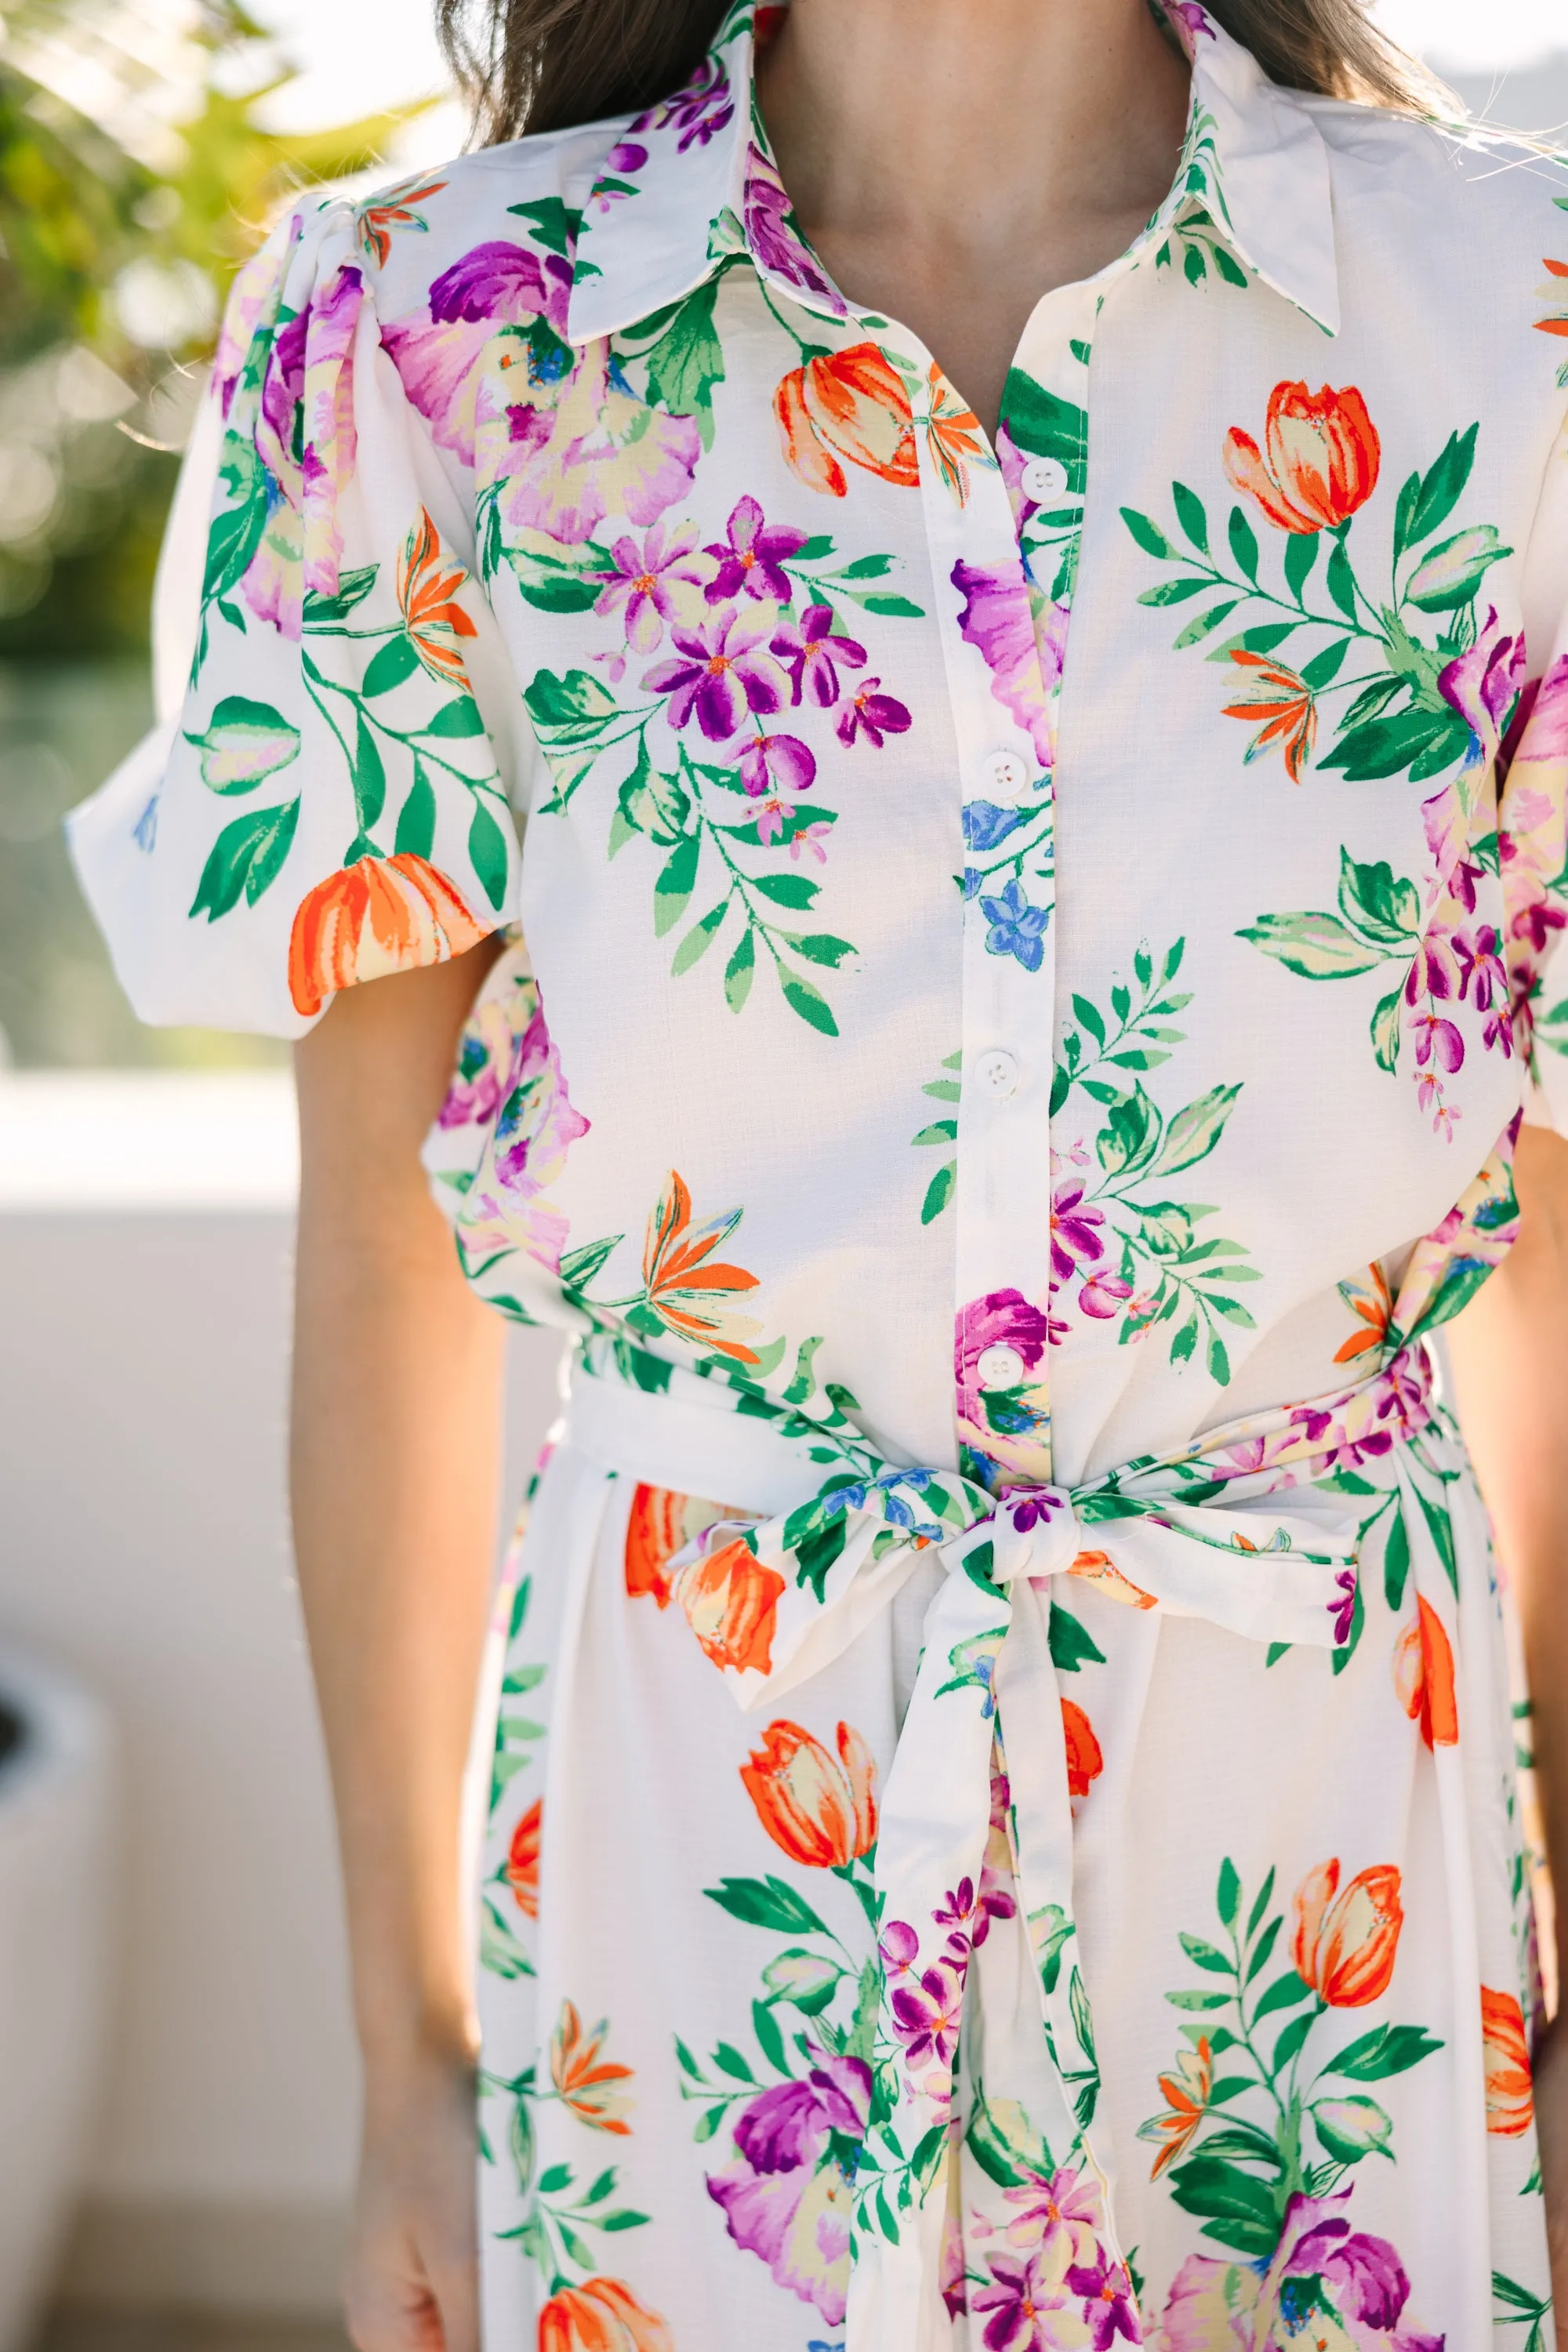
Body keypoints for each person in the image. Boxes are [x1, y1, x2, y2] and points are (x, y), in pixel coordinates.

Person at [67, 0, 1568, 2341]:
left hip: (1327, 1858)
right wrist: (406, 2066)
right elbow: (379, 1257)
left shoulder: (1517, 321)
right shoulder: (417, 340)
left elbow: (1550, 1254)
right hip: (693, 1875)